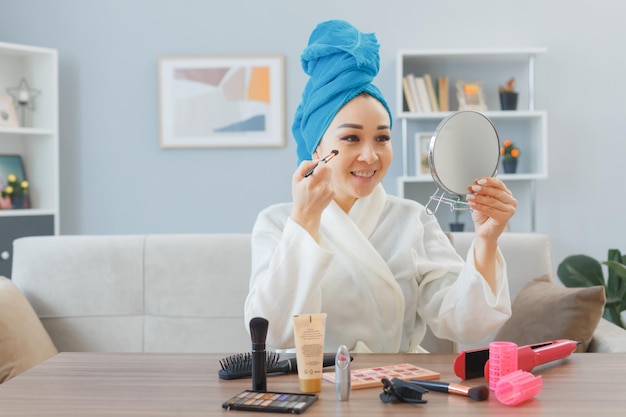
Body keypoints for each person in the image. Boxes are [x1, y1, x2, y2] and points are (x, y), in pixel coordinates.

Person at [244, 19, 517, 353]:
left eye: (382, 138)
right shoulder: (275, 223)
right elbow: (271, 336)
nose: (370, 155)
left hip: (395, 391)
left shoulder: (412, 220)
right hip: (314, 392)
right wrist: (303, 221)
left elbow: (466, 324)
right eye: (351, 138)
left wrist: (486, 241)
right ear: (316, 147)